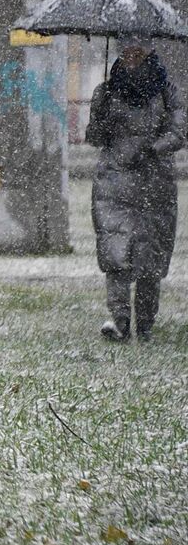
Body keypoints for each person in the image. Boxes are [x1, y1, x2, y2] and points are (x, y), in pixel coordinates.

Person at [84, 34, 184, 343]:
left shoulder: (166, 90)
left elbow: (179, 131)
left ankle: (146, 325)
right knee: (116, 255)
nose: (131, 55)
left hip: (155, 184)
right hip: (114, 182)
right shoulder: (108, 89)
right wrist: (100, 117)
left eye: (137, 50)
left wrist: (154, 148)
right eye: (126, 49)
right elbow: (95, 137)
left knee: (150, 259)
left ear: (149, 52)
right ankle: (120, 321)